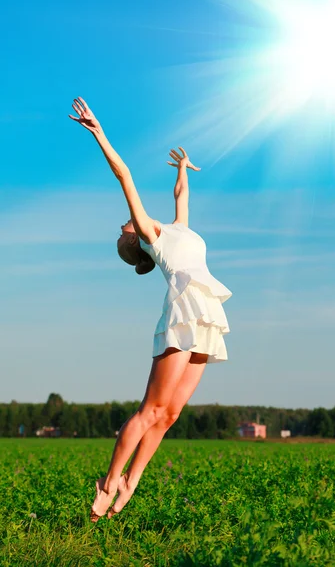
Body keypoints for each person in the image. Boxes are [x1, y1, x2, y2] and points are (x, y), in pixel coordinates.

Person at [69, 97, 232, 521]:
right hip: (183, 311)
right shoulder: (150, 235)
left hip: (207, 311)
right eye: (123, 229)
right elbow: (123, 175)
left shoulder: (178, 227)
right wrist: (99, 132)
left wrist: (182, 169)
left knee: (171, 413)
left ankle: (131, 480)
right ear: (133, 241)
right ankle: (109, 481)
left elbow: (181, 197)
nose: (123, 223)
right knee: (150, 410)